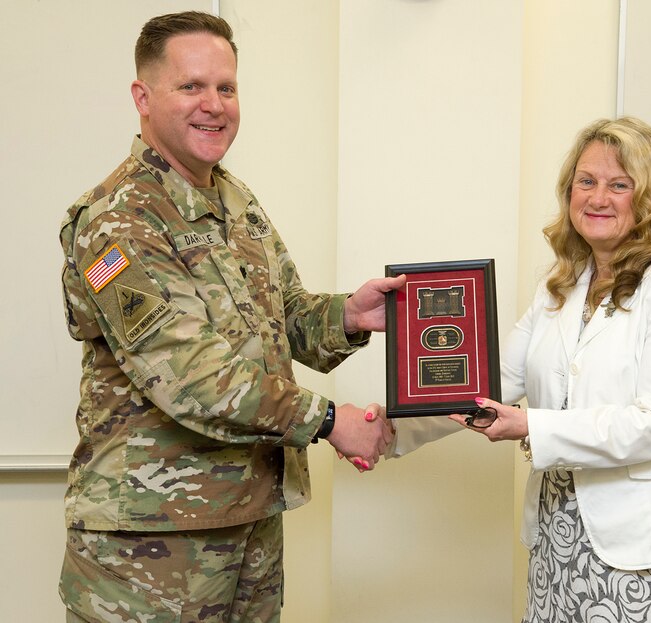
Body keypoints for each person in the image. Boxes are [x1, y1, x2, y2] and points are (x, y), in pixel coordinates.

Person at [57, 11, 399, 623]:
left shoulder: (234, 200)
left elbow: (282, 315)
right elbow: (190, 377)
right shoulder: (116, 223)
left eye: (227, 87)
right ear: (143, 97)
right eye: (191, 86)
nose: (213, 105)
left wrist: (349, 314)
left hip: (248, 522)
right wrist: (328, 420)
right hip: (149, 550)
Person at [388, 117, 651, 622]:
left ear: (650, 198)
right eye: (586, 181)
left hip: (644, 550)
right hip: (559, 535)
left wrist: (531, 424)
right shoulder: (561, 287)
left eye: (620, 185)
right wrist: (389, 426)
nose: (598, 197)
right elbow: (488, 386)